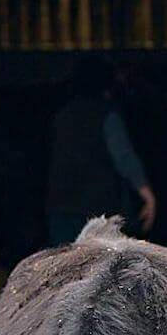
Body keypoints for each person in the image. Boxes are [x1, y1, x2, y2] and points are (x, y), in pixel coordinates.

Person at [45, 60, 157, 244]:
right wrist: (147, 194)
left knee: (65, 255)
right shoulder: (106, 115)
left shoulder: (63, 115)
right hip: (96, 207)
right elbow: (123, 156)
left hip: (61, 203)